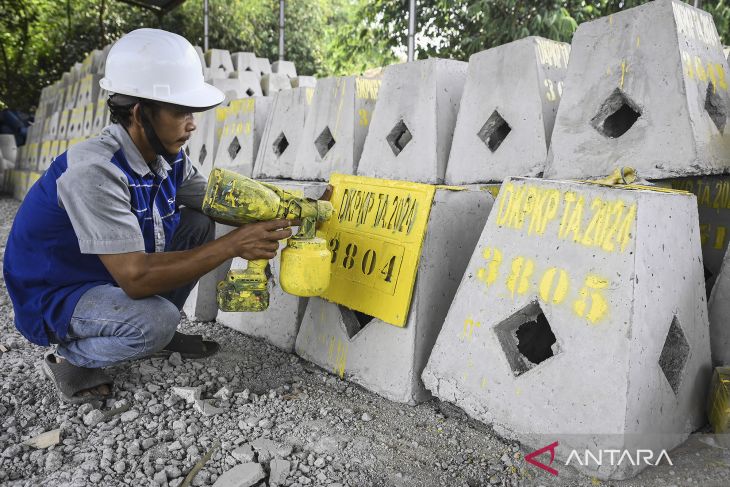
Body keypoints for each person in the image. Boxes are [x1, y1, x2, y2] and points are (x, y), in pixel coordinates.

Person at [3, 28, 296, 404]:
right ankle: (69, 355)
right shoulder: (96, 171)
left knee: (197, 221)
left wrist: (292, 207)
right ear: (140, 114)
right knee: (155, 321)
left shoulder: (165, 157)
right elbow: (136, 278)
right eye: (180, 112)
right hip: (58, 292)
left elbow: (216, 200)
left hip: (106, 274)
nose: (192, 124)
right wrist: (234, 245)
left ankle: (154, 331)